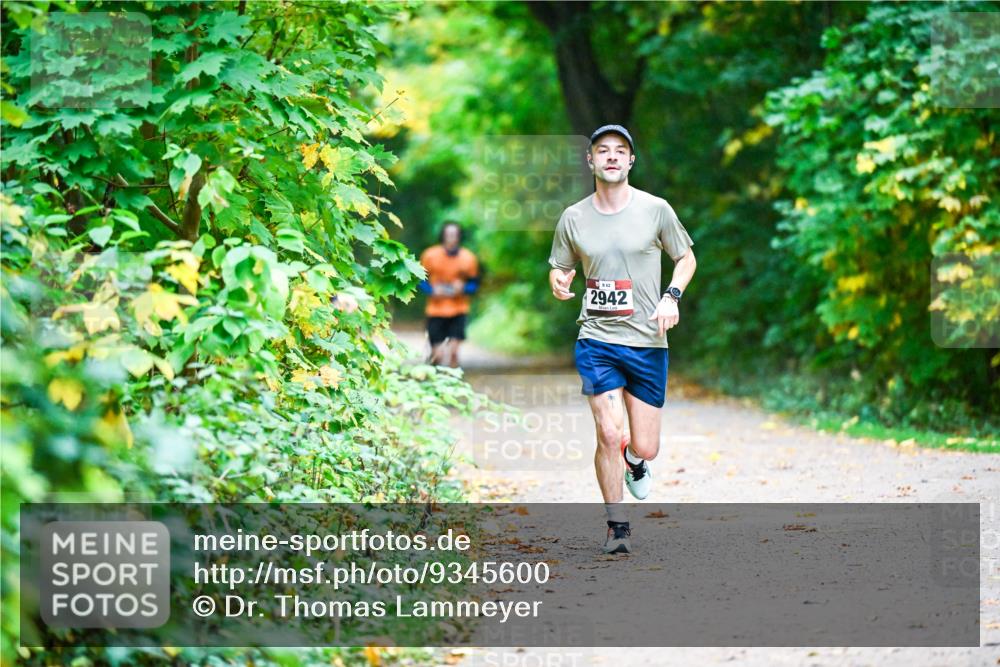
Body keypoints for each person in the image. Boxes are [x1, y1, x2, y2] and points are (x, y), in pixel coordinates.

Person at [548, 125, 697, 554]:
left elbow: (685, 257)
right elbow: (559, 265)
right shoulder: (573, 217)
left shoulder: (656, 210)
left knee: (645, 445)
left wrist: (672, 296)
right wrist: (558, 280)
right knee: (609, 432)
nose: (611, 156)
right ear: (590, 161)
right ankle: (617, 527)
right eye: (602, 150)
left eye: (620, 151)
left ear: (631, 161)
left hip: (648, 341)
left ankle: (635, 460)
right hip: (597, 339)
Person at [418, 222, 480, 368]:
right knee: (438, 356)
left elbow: (474, 284)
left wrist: (464, 288)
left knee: (453, 353)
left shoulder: (468, 258)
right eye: (448, 234)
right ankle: (434, 373)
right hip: (436, 310)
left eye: (454, 235)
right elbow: (420, 280)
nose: (451, 238)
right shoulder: (430, 255)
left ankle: (453, 378)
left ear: (459, 237)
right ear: (443, 236)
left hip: (459, 309)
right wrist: (432, 290)